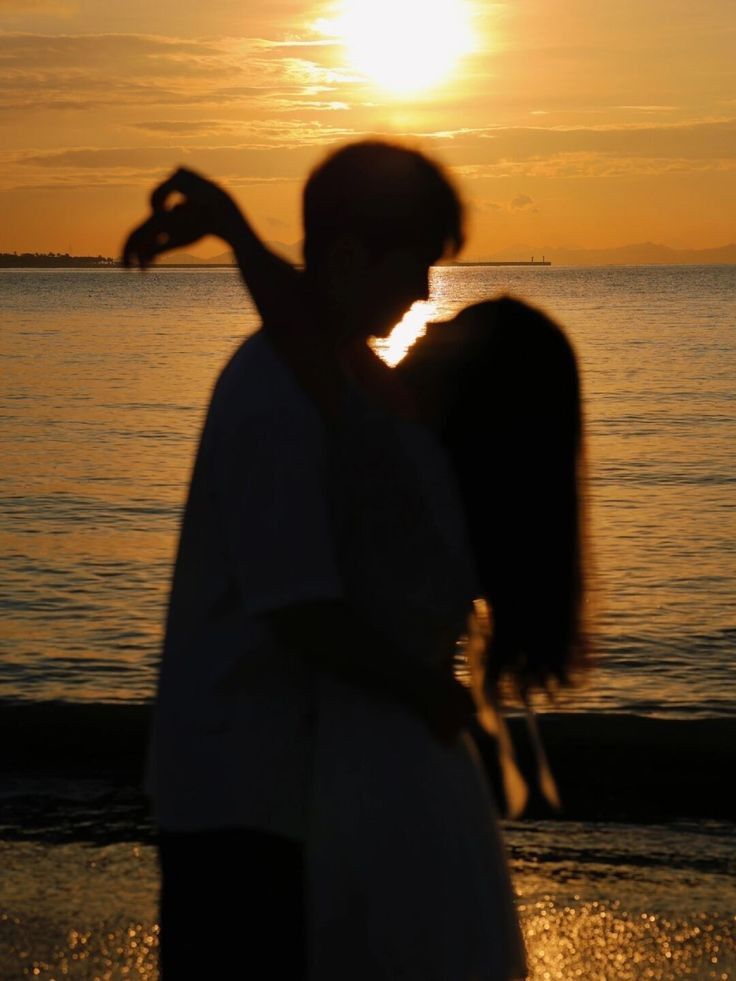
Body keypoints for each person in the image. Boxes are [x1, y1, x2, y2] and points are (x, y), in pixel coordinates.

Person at [125, 141, 504, 979]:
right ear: (346, 258)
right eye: (414, 266)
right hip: (240, 786)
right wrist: (431, 697)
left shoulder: (334, 376)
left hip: (284, 781)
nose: (422, 293)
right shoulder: (276, 395)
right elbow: (298, 609)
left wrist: (231, 226)